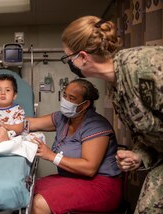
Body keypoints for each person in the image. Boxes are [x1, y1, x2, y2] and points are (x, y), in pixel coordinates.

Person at [61, 15, 163, 214]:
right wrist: (138, 156)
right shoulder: (116, 89)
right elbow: (150, 136)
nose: (70, 64)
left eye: (68, 58)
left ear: (82, 57)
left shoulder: (144, 66)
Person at [28, 79, 121, 214]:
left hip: (101, 185)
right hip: (71, 179)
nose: (66, 101)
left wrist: (51, 156)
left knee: (39, 203)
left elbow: (89, 168)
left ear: (85, 105)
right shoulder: (63, 118)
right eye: (65, 95)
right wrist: (0, 123)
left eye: (72, 98)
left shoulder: (96, 125)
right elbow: (31, 124)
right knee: (27, 189)